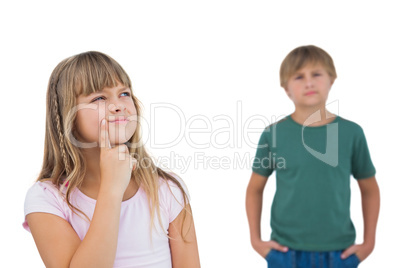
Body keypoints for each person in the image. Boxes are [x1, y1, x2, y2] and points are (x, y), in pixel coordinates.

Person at [23, 51, 200, 268]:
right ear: (67, 115)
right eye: (99, 98)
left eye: (124, 93)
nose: (118, 105)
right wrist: (112, 189)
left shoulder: (168, 188)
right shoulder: (48, 199)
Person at [246, 45, 380, 267]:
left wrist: (369, 243)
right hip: (285, 253)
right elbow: (254, 188)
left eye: (316, 74)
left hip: (340, 254)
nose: (308, 82)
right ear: (286, 88)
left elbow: (369, 188)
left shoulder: (351, 133)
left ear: (331, 80)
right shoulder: (273, 134)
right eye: (299, 76)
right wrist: (256, 241)